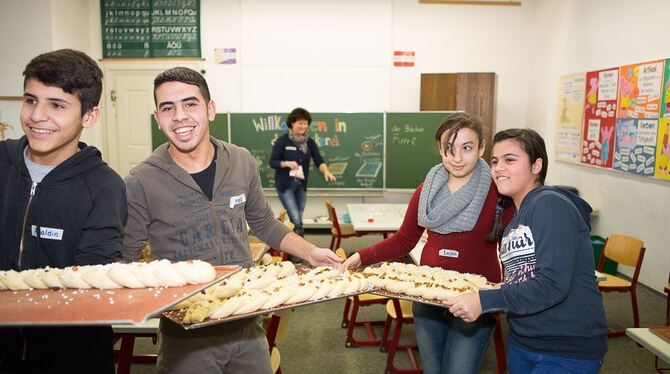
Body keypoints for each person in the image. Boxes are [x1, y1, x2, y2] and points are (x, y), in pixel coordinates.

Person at [120, 67, 343, 374]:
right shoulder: (141, 180)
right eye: (167, 108)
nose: (180, 116)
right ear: (157, 118)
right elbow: (126, 258)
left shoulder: (240, 161)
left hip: (246, 323)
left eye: (190, 104)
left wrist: (311, 252)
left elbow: (264, 222)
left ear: (210, 109)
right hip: (187, 335)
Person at [342, 113, 514, 374]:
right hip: (428, 296)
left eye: (466, 148)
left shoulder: (498, 191)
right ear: (440, 149)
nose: (456, 158)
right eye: (449, 149)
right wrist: (362, 257)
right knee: (433, 370)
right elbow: (404, 239)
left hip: (475, 300)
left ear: (481, 147)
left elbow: (516, 244)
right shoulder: (427, 189)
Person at [0, 49, 126, 373]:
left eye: (56, 105)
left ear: (89, 116)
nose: (37, 115)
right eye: (30, 100)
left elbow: (90, 284)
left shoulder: (105, 187)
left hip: (73, 359)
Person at [445, 128, 608, 373]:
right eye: (495, 161)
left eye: (510, 160)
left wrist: (485, 301)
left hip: (565, 349)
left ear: (536, 166)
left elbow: (552, 284)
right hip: (525, 341)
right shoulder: (518, 216)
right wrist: (493, 289)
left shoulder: (550, 205)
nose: (499, 168)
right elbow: (524, 276)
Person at [269, 107, 336, 237]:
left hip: (301, 186)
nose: (303, 126)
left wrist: (326, 171)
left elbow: (319, 160)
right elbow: (273, 162)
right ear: (292, 123)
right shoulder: (282, 141)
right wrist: (286, 163)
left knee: (298, 216)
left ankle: (292, 247)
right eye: (300, 123)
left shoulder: (309, 142)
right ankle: (300, 250)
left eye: (305, 123)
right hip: (285, 186)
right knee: (296, 219)